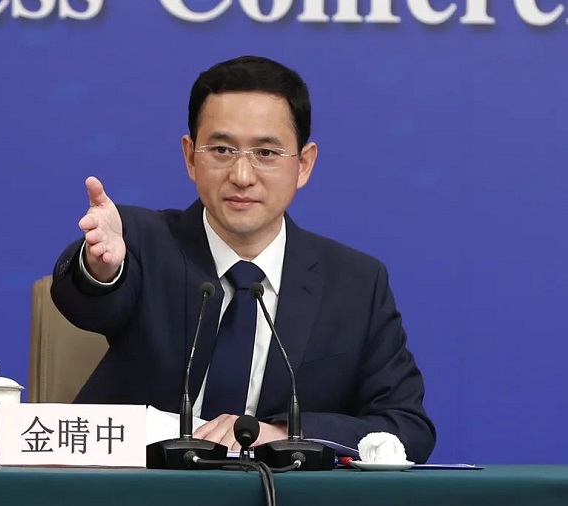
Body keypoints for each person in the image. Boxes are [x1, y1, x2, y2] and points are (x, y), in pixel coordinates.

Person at [50, 55, 436, 463]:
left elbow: (407, 427)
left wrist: (286, 434)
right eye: (221, 149)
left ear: (304, 164)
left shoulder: (355, 284)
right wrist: (102, 270)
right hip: (135, 486)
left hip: (276, 490)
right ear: (190, 157)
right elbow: (89, 302)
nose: (242, 175)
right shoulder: (142, 242)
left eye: (266, 153)